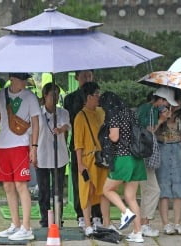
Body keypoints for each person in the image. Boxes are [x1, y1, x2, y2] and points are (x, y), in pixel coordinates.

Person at [0, 73, 40, 241]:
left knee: (21, 185)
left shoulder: (30, 97)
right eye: (22, 79)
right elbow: (0, 116)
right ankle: (15, 224)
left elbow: (36, 122)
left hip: (20, 145)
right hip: (2, 145)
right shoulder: (0, 95)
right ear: (12, 79)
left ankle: (27, 227)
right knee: (8, 186)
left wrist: (34, 147)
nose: (24, 82)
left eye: (25, 79)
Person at [101, 92, 147, 243]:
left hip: (123, 158)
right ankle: (137, 232)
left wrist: (106, 133)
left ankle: (125, 212)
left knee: (107, 190)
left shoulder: (114, 115)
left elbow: (114, 137)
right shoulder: (131, 113)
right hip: (137, 159)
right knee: (131, 197)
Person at [63, 70, 103, 228]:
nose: (87, 78)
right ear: (76, 77)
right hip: (79, 143)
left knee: (99, 180)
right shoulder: (70, 98)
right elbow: (69, 121)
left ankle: (97, 214)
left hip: (97, 146)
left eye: (90, 75)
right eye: (84, 76)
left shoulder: (98, 98)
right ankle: (81, 214)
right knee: (80, 179)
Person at [136, 86, 177, 237]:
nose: (167, 106)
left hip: (141, 154)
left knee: (147, 190)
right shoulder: (151, 110)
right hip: (144, 154)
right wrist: (161, 120)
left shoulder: (145, 108)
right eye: (166, 103)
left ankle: (142, 224)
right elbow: (148, 130)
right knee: (153, 190)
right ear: (160, 99)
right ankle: (144, 224)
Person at [73, 82, 110, 236]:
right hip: (88, 159)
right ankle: (87, 224)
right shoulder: (80, 116)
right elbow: (78, 143)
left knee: (105, 191)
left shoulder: (102, 112)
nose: (98, 97)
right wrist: (80, 163)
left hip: (102, 158)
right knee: (86, 192)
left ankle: (107, 222)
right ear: (88, 97)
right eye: (96, 95)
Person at [155, 91, 181, 235]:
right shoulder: (160, 113)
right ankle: (166, 223)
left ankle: (177, 222)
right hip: (162, 149)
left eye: (179, 103)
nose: (176, 106)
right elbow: (151, 131)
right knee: (163, 187)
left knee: (178, 187)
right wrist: (163, 118)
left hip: (177, 150)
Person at [36, 83, 71, 227]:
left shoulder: (63, 112)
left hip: (59, 156)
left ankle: (58, 219)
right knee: (43, 191)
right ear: (45, 95)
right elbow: (31, 134)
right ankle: (45, 219)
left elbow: (66, 125)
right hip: (42, 155)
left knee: (58, 190)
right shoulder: (37, 113)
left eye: (57, 94)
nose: (55, 98)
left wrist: (61, 129)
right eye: (52, 94)